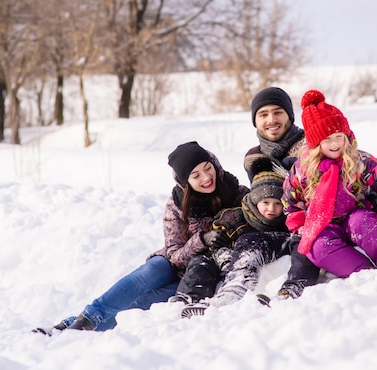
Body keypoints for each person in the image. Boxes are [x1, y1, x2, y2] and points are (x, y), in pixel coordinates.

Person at [31, 141, 249, 334]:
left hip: (197, 278)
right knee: (151, 271)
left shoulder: (236, 193)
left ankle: (70, 326)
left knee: (139, 306)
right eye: (196, 175)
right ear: (185, 182)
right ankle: (89, 317)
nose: (206, 177)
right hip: (172, 265)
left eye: (207, 168)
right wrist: (201, 240)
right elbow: (173, 254)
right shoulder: (176, 205)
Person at [282, 89, 377, 279]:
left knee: (362, 223)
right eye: (327, 139)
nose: (335, 144)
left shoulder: (358, 160)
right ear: (316, 144)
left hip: (356, 217)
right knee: (318, 248)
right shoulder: (302, 170)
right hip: (324, 225)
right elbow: (290, 200)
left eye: (339, 136)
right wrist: (299, 223)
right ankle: (364, 275)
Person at [179, 157, 291, 317]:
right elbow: (217, 244)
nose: (271, 208)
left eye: (277, 203)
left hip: (261, 270)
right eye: (265, 202)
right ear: (254, 201)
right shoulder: (235, 218)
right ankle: (186, 300)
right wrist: (226, 261)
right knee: (201, 263)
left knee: (255, 246)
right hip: (232, 267)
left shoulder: (287, 223)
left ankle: (247, 295)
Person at [244, 86, 319, 300]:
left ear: (289, 115)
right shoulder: (252, 158)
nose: (271, 119)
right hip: (274, 223)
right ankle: (246, 288)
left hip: (307, 221)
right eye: (263, 114)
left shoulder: (310, 146)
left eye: (278, 112)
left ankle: (294, 286)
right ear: (255, 121)